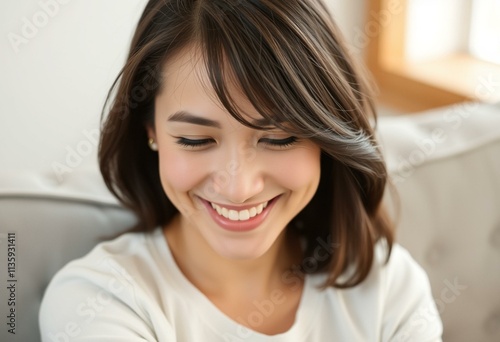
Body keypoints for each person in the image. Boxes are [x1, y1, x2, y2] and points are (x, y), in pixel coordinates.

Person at [39, 0, 443, 340]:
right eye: (196, 140)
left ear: (326, 137)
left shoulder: (387, 286)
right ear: (151, 131)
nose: (238, 188)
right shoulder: (98, 302)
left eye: (280, 139)